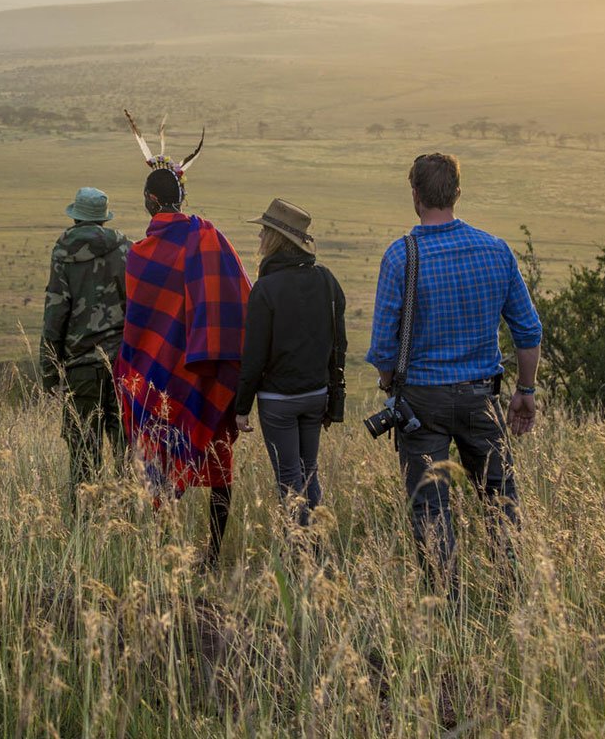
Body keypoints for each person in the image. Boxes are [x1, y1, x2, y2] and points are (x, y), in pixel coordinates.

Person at [365, 152, 541, 590]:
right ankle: (513, 591)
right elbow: (528, 331)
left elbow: (384, 347)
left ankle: (445, 604)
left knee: (430, 506)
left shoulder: (401, 256)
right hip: (482, 394)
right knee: (500, 498)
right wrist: (526, 390)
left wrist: (391, 387)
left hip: (421, 399)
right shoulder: (495, 250)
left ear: (415, 195)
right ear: (457, 193)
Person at [112, 111, 249, 569]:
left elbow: (138, 326)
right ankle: (211, 554)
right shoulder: (212, 238)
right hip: (208, 374)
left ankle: (166, 550)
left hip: (159, 376)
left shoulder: (139, 256)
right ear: (180, 197)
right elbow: (240, 299)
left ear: (151, 202)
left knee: (159, 458)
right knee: (217, 463)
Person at [232, 199, 346, 533]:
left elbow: (253, 357)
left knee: (288, 480)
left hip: (278, 401)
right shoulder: (326, 279)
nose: (260, 238)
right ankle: (316, 546)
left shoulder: (265, 289)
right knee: (309, 472)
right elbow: (339, 344)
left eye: (264, 231)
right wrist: (332, 392)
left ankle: (299, 555)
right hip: (316, 394)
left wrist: (242, 408)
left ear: (276, 239)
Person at [41, 186, 131, 515]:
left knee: (82, 452)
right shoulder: (125, 249)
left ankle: (84, 528)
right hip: (123, 364)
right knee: (126, 450)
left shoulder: (62, 253)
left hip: (80, 368)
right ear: (103, 218)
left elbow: (56, 312)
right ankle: (129, 524)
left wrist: (49, 371)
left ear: (76, 216)